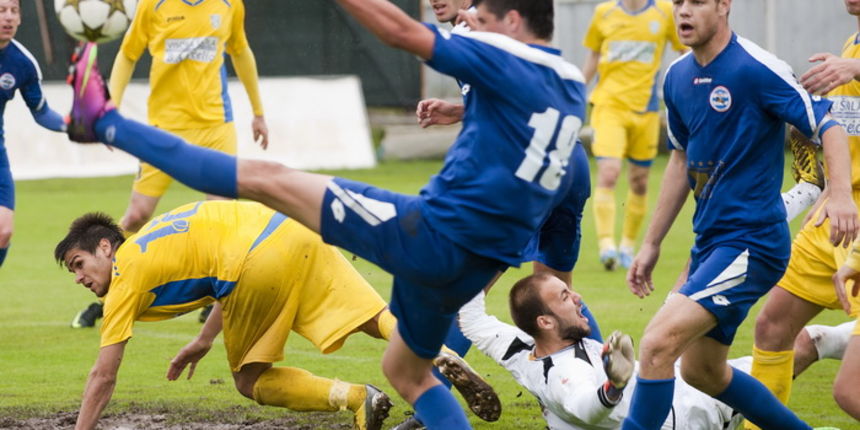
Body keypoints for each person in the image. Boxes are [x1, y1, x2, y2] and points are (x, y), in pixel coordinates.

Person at [65, 0, 588, 427]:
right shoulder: (570, 94)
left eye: (481, 18)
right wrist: (461, 111)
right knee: (405, 370)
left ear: (513, 23)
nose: (466, 23)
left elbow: (400, 30)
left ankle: (105, 123)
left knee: (265, 178)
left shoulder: (507, 60)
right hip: (478, 261)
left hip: (426, 233)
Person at [56, 200, 496, 430]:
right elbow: (216, 272)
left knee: (250, 380)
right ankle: (439, 353)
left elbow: (103, 375)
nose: (79, 277)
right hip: (293, 229)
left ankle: (359, 398)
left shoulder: (126, 274)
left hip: (252, 261)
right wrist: (205, 339)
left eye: (78, 264)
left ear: (105, 247)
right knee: (372, 316)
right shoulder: (152, 242)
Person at [624, 0, 858, 429]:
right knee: (702, 371)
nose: (683, 12)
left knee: (657, 345)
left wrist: (840, 194)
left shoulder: (756, 68)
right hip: (712, 242)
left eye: (696, 2)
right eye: (677, 3)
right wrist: (652, 244)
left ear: (724, 6)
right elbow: (679, 159)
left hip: (753, 243)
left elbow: (828, 124)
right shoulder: (676, 76)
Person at [71, 0, 269, 328]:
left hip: (215, 127)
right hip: (164, 130)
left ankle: (218, 297)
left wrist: (258, 112)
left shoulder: (230, 4)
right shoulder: (153, 5)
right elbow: (127, 54)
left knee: (220, 219)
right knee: (136, 215)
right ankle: (113, 295)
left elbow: (241, 51)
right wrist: (110, 107)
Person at [458, 273, 855, 430]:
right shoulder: (565, 374)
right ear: (545, 321)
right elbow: (582, 404)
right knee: (809, 342)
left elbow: (469, 316)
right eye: (564, 296)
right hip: (692, 412)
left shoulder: (518, 348)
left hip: (679, 380)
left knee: (812, 340)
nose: (576, 295)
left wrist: (498, 250)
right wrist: (614, 384)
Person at [751, 0, 860, 422]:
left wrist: (854, 70)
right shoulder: (850, 45)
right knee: (772, 327)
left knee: (850, 392)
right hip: (835, 213)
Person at [581, 0, 685, 270]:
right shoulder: (604, 13)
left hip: (646, 110)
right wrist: (577, 91)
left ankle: (627, 246)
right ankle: (607, 247)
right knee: (609, 172)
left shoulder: (665, 11)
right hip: (608, 106)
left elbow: (684, 49)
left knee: (639, 182)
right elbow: (593, 56)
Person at [0, 0, 66, 272]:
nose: (9, 17)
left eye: (14, 11)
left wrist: (79, 127)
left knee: (3, 232)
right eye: (2, 10)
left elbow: (42, 113)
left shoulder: (22, 63)